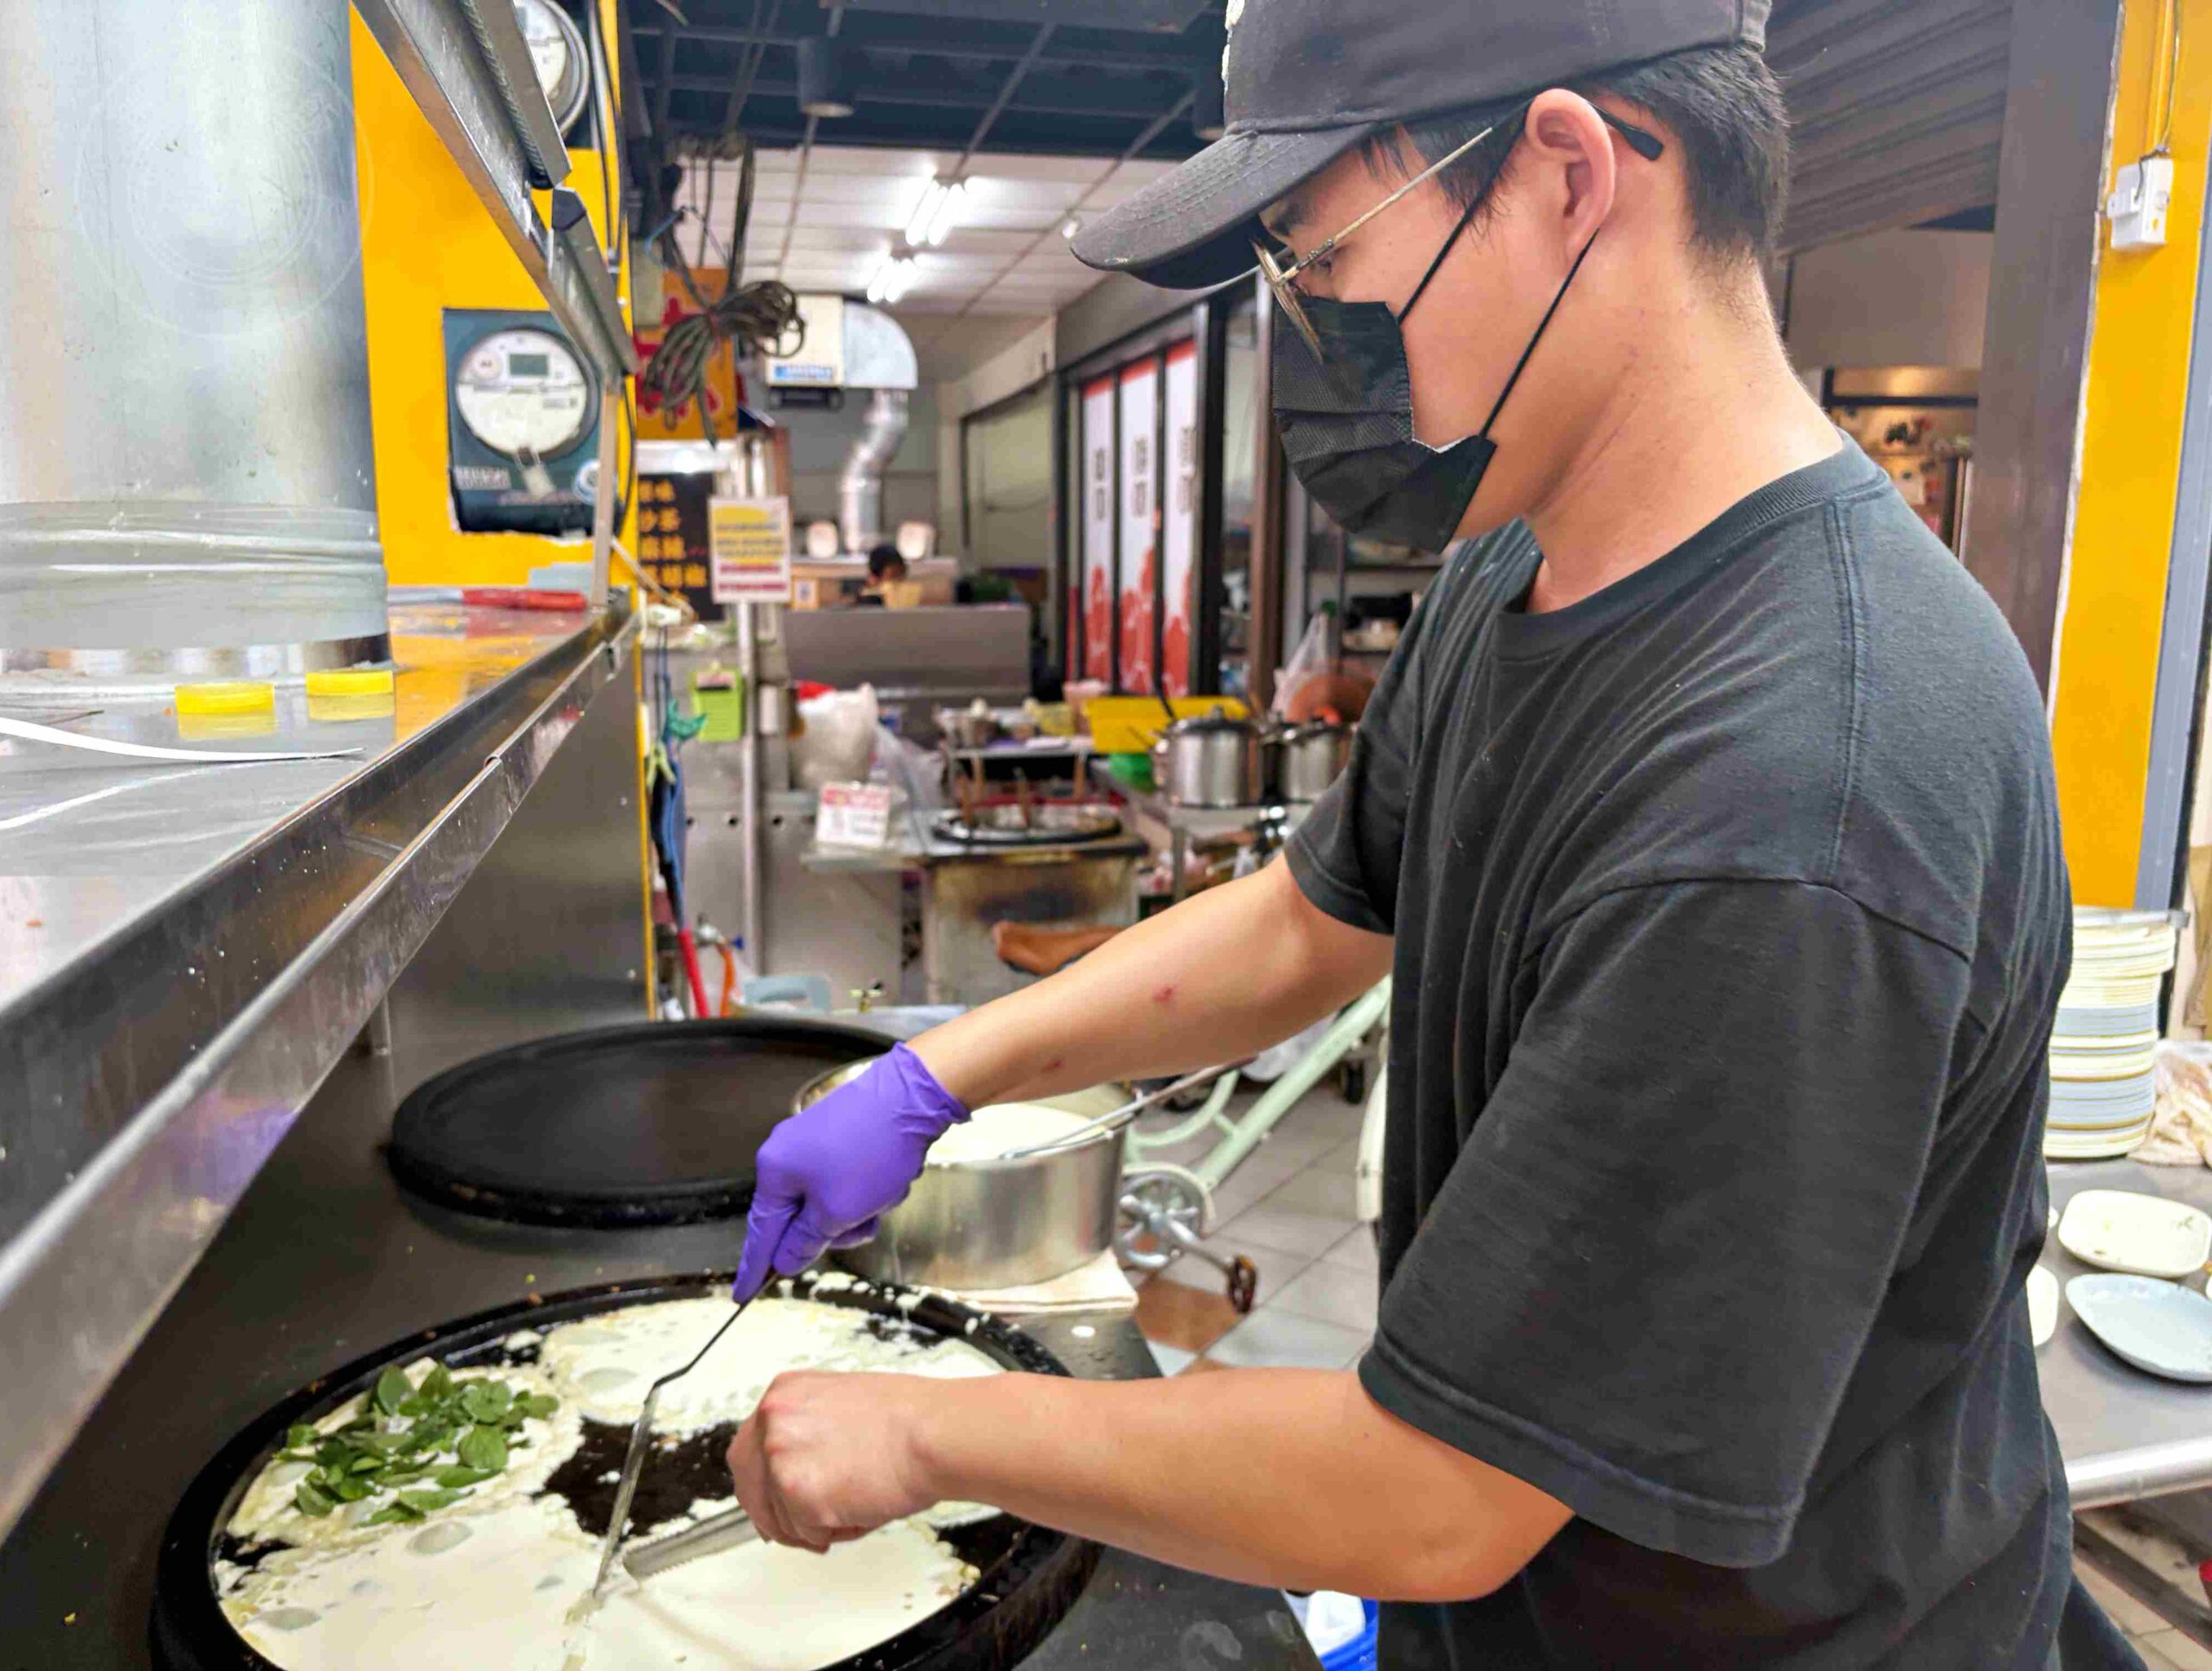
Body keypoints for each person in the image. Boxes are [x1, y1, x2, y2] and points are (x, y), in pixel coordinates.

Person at [726, 2, 2114, 1664]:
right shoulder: (1518, 561)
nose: (1310, 326)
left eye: (1324, 255)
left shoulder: (1804, 782)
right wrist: (937, 1079)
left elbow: (1444, 1492)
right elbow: (1306, 922)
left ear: (1568, 173)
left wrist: (919, 1430)